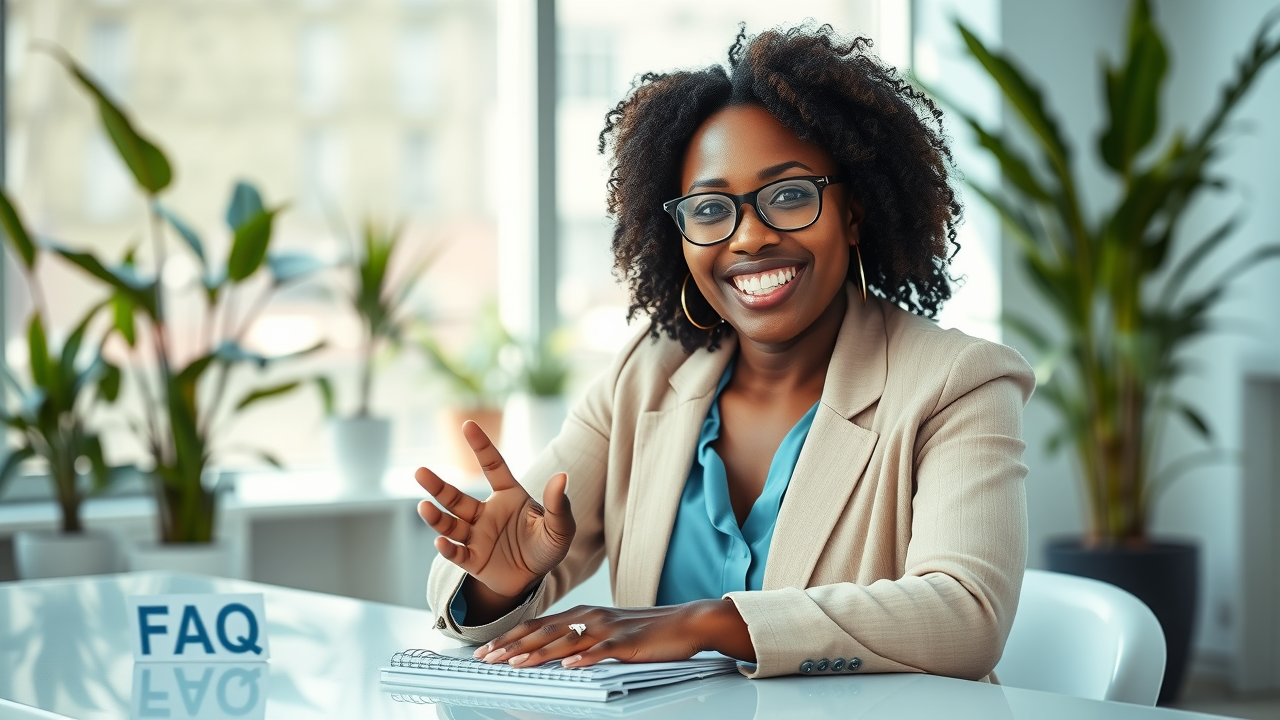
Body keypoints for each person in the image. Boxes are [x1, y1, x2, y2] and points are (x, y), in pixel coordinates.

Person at [415, 25, 1034, 681]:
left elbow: (966, 617)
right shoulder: (646, 376)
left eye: (791, 195)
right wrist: (501, 580)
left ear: (853, 213)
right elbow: (463, 585)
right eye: (710, 208)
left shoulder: (957, 384)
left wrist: (702, 624)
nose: (749, 238)